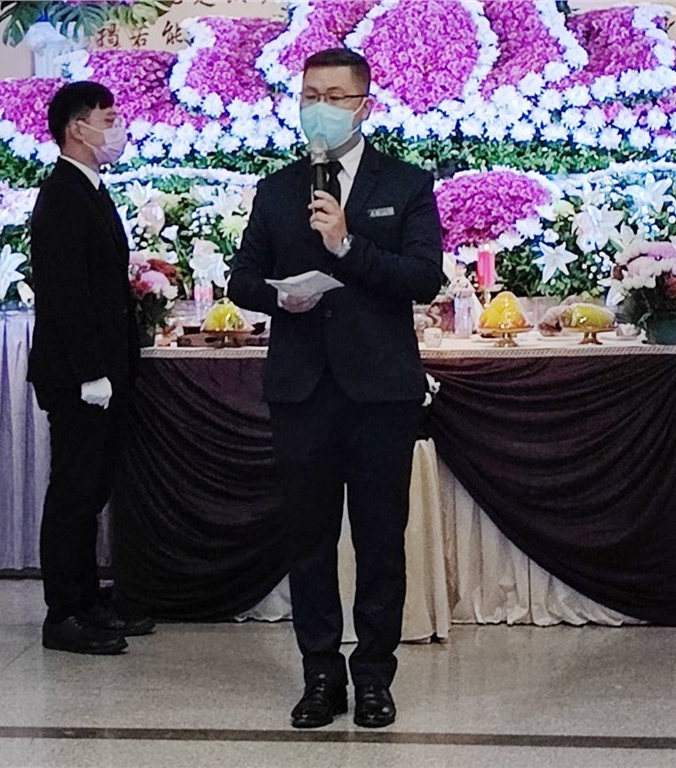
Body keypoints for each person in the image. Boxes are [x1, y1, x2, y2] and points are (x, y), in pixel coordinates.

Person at [228, 48, 443, 729]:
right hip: (302, 389)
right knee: (309, 539)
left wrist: (349, 247)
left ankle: (374, 676)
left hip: (381, 392)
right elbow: (242, 279)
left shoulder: (405, 184)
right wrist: (279, 297)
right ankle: (319, 673)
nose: (319, 107)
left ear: (364, 106)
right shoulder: (277, 189)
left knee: (380, 540)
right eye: (309, 95)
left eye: (334, 96)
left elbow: (423, 278)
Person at [27, 81, 154, 655]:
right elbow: (65, 295)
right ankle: (63, 613)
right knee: (74, 491)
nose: (118, 127)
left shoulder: (91, 189)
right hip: (79, 376)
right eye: (109, 118)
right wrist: (89, 372)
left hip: (104, 371)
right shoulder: (62, 195)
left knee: (92, 489)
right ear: (77, 128)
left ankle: (88, 599)